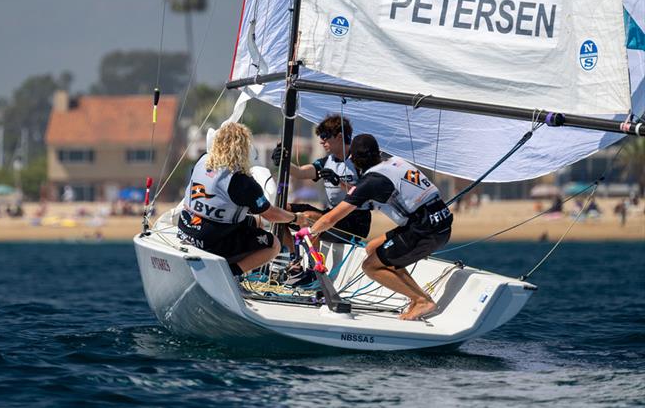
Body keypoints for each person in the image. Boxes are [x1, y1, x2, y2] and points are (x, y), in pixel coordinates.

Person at [296, 134, 453, 321]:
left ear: (352, 159)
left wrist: (310, 231)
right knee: (372, 248)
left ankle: (421, 301)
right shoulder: (396, 162)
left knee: (370, 266)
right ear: (378, 153)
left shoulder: (371, 181)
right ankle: (419, 297)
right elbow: (369, 190)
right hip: (439, 223)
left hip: (425, 231)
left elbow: (331, 218)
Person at [178, 122, 310, 277]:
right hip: (211, 241)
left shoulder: (203, 160)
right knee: (273, 244)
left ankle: (241, 267)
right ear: (242, 148)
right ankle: (232, 273)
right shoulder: (241, 181)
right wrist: (296, 218)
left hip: (185, 228)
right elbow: (271, 214)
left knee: (257, 222)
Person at [271, 115, 371, 247]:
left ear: (340, 137)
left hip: (355, 222)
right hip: (331, 215)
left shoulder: (360, 162)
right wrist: (283, 161)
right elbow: (300, 173)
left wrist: (339, 183)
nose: (321, 141)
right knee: (280, 210)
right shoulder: (326, 162)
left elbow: (365, 195)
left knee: (307, 217)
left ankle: (315, 266)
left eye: (325, 136)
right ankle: (293, 261)